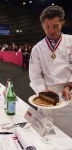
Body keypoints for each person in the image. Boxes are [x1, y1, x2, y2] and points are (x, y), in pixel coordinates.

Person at [29, 5, 72, 138]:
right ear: (42, 25)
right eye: (47, 27)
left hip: (68, 95)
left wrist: (68, 86)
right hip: (46, 95)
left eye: (55, 26)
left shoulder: (70, 42)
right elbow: (35, 75)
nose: (51, 30)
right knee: (46, 134)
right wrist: (43, 92)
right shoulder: (37, 48)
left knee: (67, 133)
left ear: (62, 23)